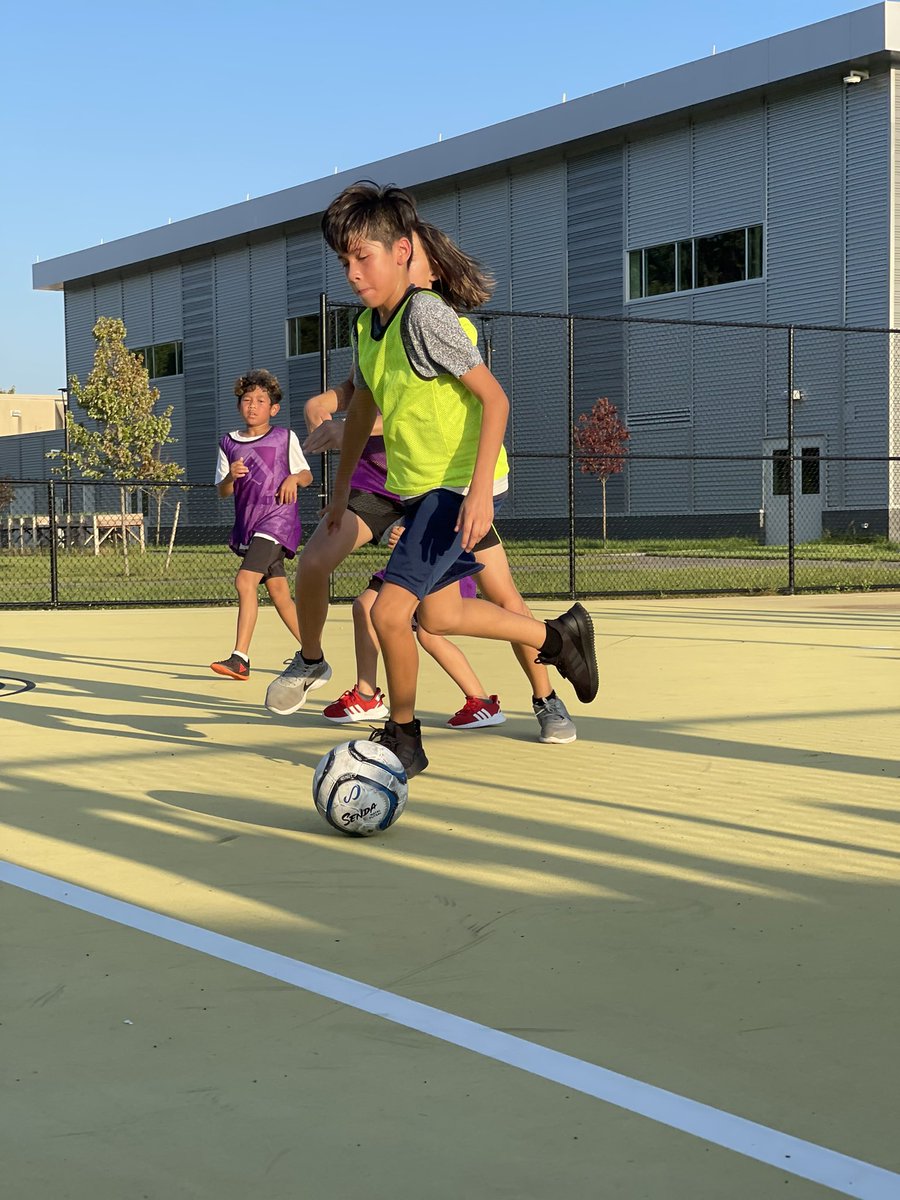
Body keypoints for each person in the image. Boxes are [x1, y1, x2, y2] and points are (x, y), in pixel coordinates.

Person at [318, 182, 597, 776]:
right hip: (419, 493)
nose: (352, 272)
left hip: (452, 488)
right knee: (438, 617)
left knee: (389, 613)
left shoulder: (425, 315)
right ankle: (559, 637)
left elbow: (495, 401)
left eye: (362, 257)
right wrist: (341, 489)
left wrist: (477, 494)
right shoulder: (371, 328)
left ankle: (405, 736)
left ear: (401, 252)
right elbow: (363, 409)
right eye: (344, 260)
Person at [325, 535, 504, 729]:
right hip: (410, 558)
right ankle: (365, 695)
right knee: (365, 606)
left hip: (439, 555)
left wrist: (413, 535)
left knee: (429, 634)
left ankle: (482, 702)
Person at [211, 369, 313, 680]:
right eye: (247, 400)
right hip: (249, 525)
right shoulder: (228, 443)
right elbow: (223, 491)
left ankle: (240, 658)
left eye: (260, 400)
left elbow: (306, 475)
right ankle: (314, 654)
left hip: (277, 521)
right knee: (280, 592)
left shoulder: (285, 437)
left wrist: (294, 478)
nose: (252, 405)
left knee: (244, 582)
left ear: (273, 408)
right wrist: (231, 476)